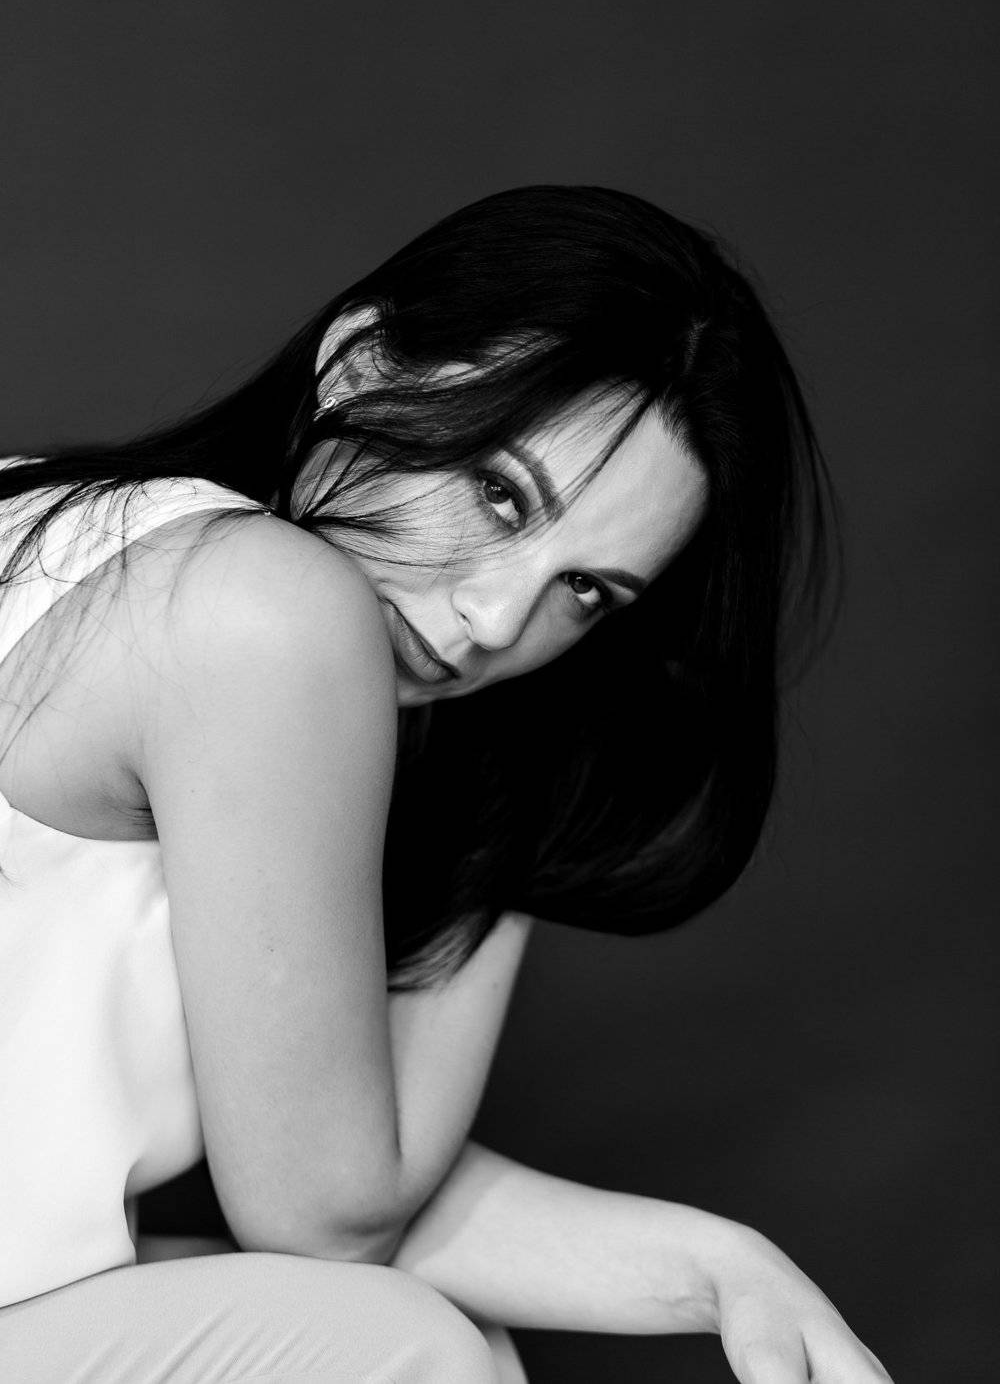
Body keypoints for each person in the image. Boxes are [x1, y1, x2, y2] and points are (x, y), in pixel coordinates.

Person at [0, 185, 891, 1382]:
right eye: (499, 493)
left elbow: (340, 1177)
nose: (498, 618)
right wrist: (509, 843)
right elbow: (328, 1213)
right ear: (358, 367)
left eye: (586, 592)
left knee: (429, 1337)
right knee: (398, 1347)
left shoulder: (72, 523)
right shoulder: (260, 610)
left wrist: (721, 1267)